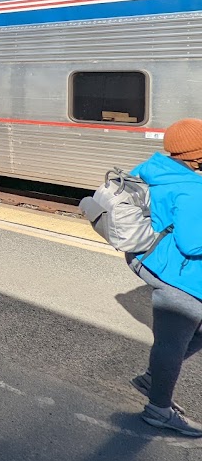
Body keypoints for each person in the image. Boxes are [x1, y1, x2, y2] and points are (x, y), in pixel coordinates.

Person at [127, 118, 202, 437]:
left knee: (186, 334)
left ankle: (153, 378)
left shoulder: (155, 168)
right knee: (173, 340)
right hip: (176, 273)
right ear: (196, 156)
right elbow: (193, 243)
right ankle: (158, 409)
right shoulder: (192, 189)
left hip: (147, 258)